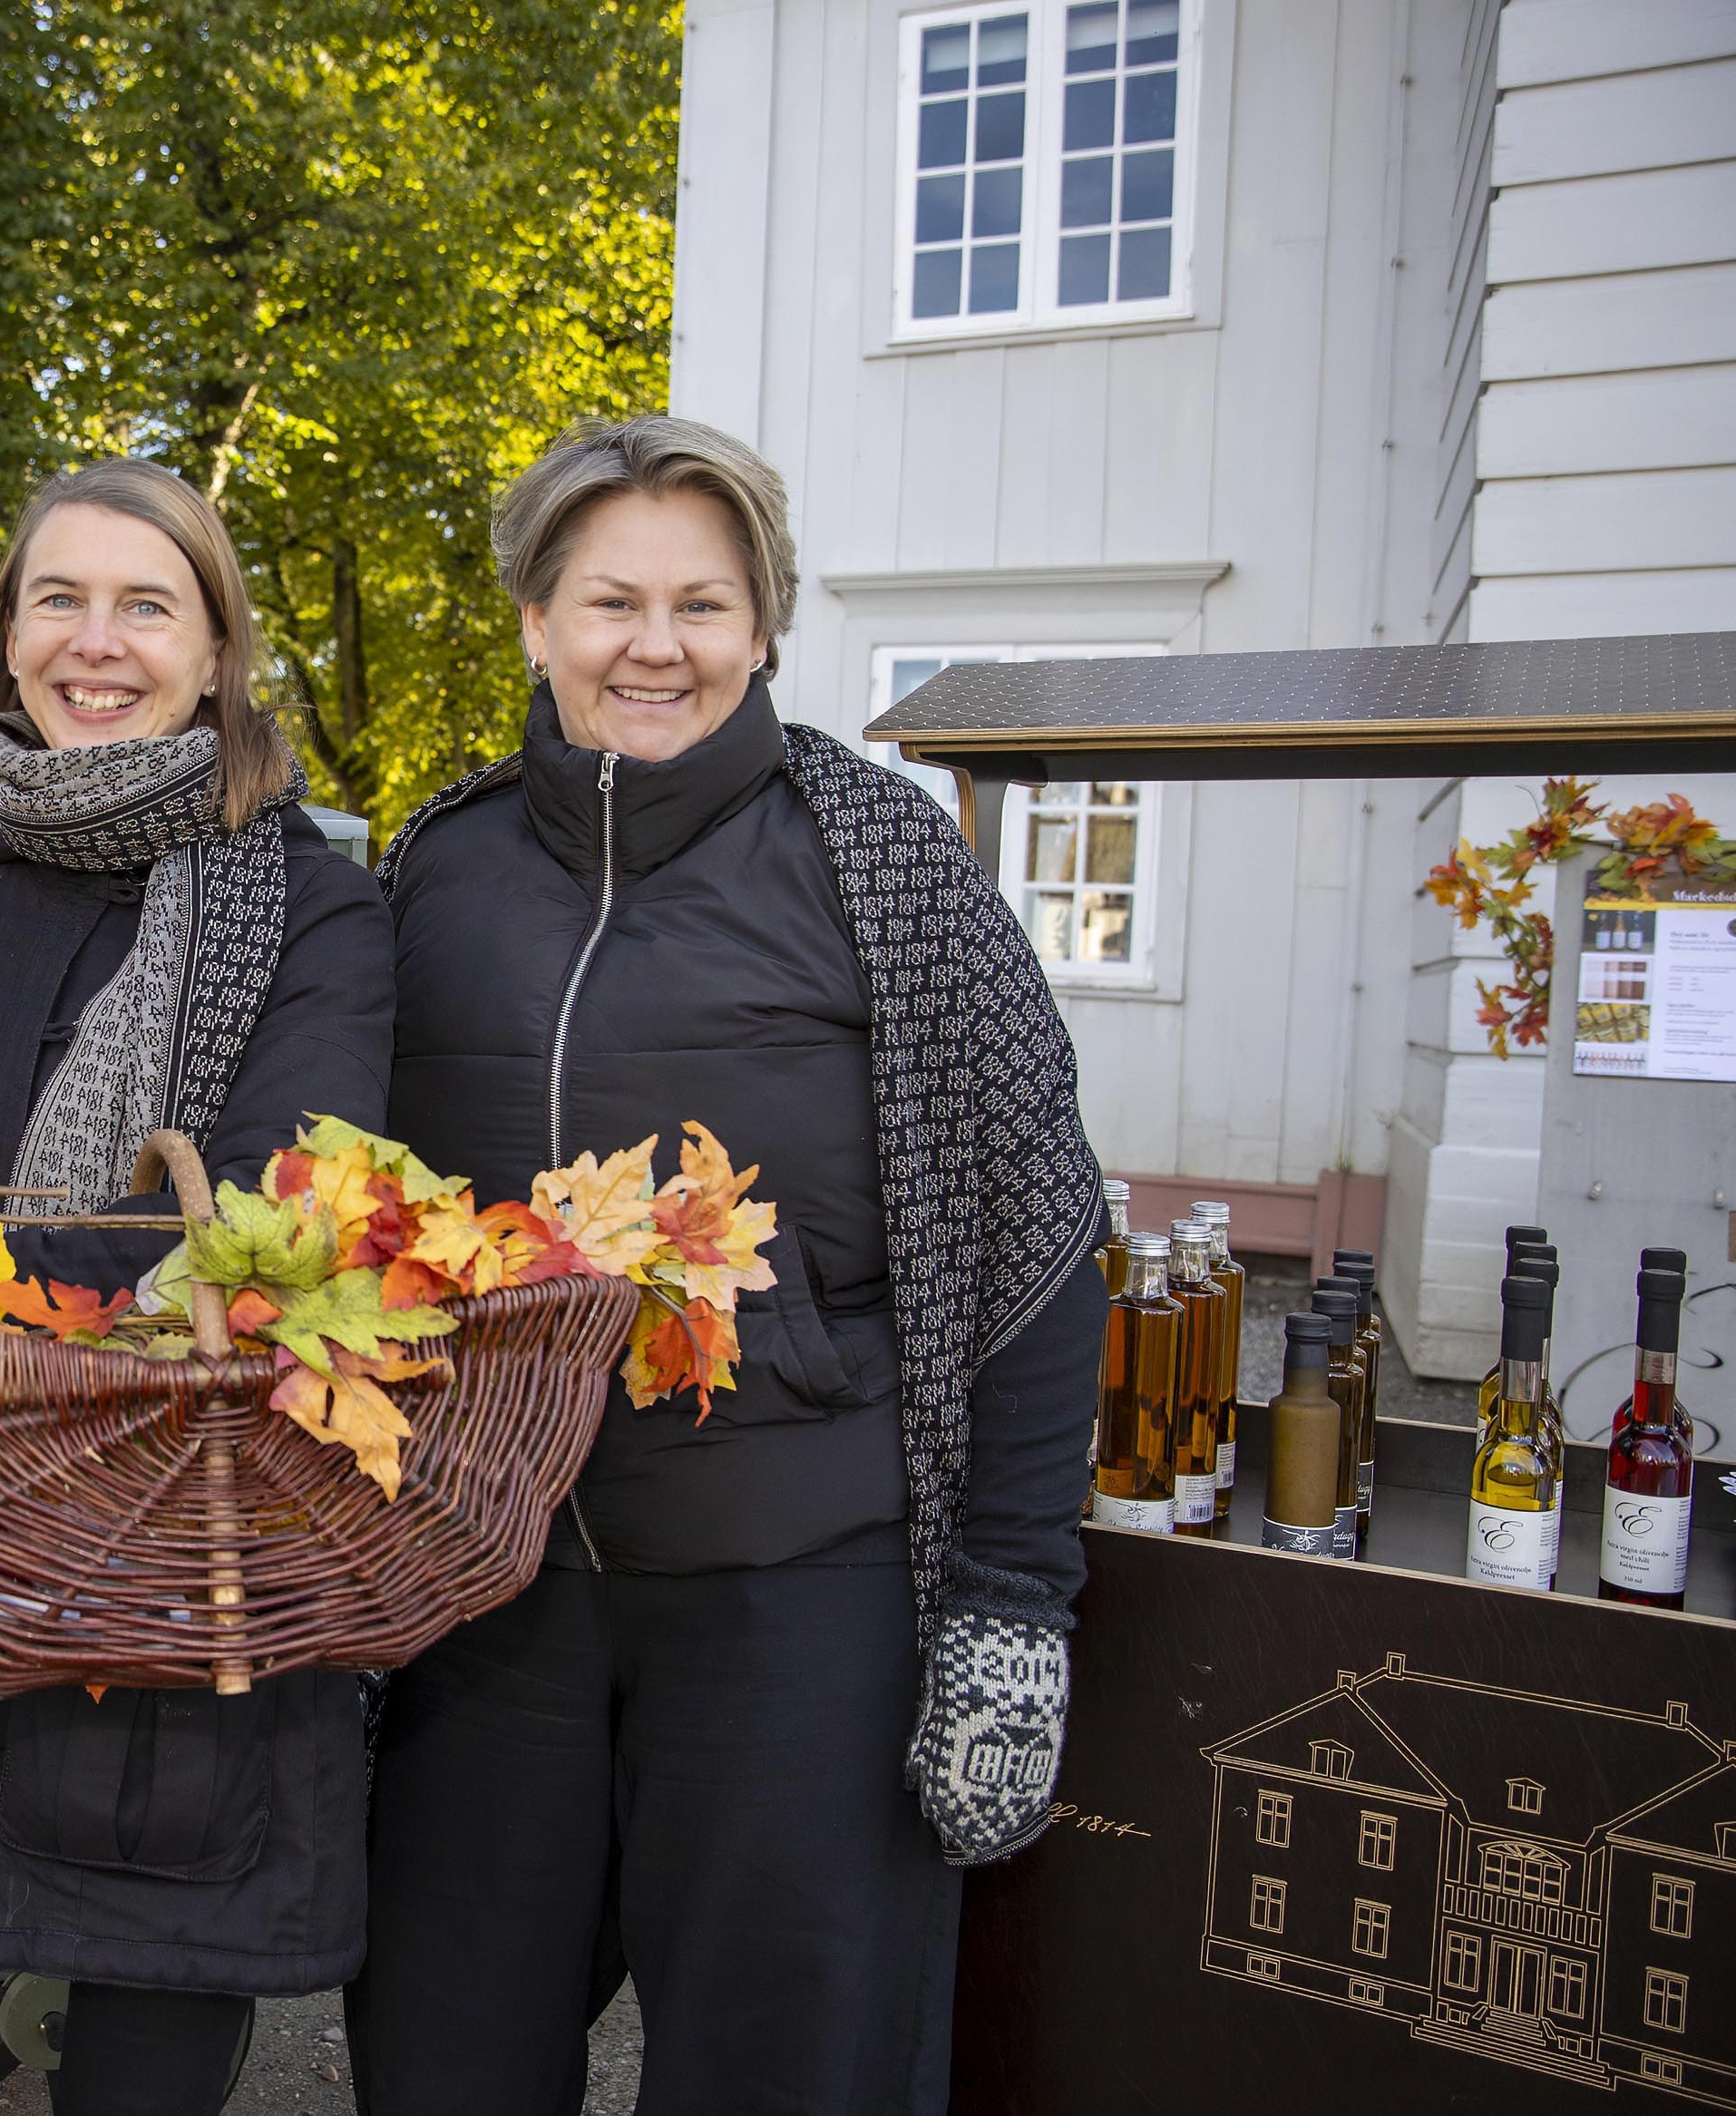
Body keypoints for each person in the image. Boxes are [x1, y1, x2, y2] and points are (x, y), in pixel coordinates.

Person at [345, 414, 1106, 2115]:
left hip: (797, 1608)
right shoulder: (434, 866)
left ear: (763, 627)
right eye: (610, 598)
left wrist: (1010, 1606)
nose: (655, 645)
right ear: (535, 617)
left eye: (704, 602)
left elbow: (1039, 1249)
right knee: (440, 2059)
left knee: (790, 2069)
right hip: (489, 1597)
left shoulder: (884, 861)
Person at [0, 458, 395, 2114]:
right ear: (4, 639)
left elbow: (263, 1230)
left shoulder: (314, 907)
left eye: (146, 603)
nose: (95, 641)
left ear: (216, 648)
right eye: (59, 597)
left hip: (171, 1626)